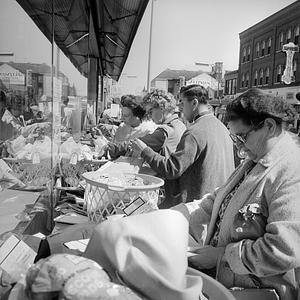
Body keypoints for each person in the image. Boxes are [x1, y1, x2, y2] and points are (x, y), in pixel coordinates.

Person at [175, 88, 300, 300]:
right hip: (227, 283)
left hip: (255, 291)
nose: (240, 148)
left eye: (242, 136)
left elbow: (285, 249)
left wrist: (223, 256)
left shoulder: (292, 171)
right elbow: (220, 198)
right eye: (236, 139)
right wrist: (176, 216)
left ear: (269, 126)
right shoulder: (256, 158)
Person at [131, 84, 235, 203]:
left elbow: (172, 169)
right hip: (217, 201)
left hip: (198, 206)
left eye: (182, 103)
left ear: (194, 103)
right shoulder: (222, 128)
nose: (180, 108)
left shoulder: (195, 132)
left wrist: (145, 151)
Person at [107, 90, 187, 207]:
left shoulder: (164, 131)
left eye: (151, 111)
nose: (148, 115)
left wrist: (109, 148)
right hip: (175, 189)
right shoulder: (180, 125)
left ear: (162, 108)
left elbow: (136, 144)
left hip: (161, 189)